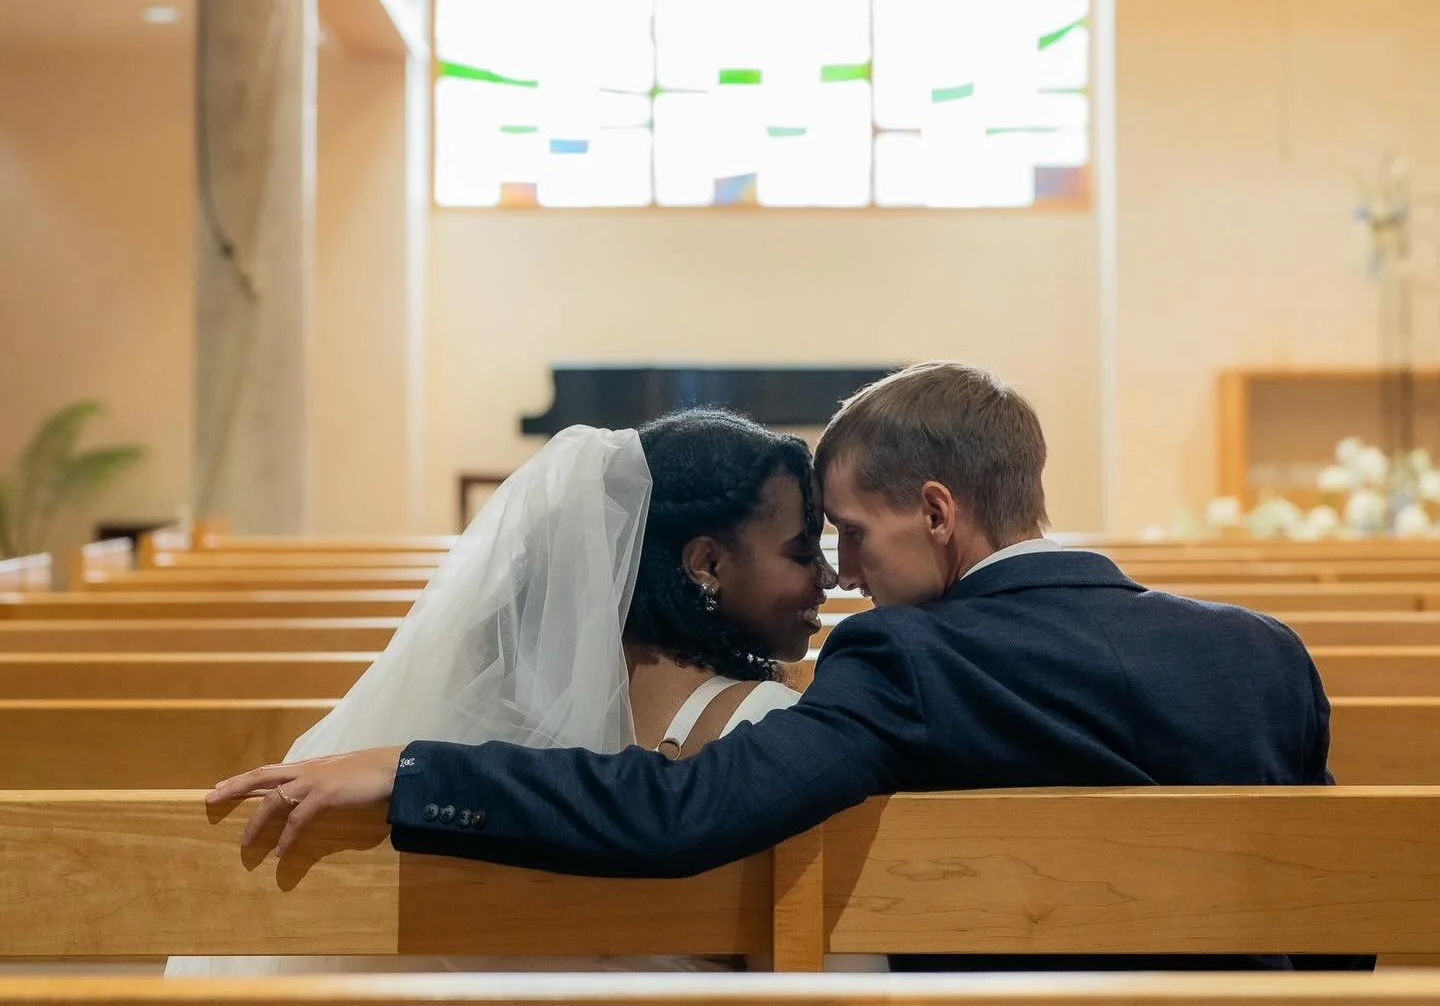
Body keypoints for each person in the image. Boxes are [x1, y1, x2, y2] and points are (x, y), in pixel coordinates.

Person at [212, 360, 1351, 973]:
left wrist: (414, 767)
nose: (844, 573)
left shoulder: (903, 657)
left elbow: (680, 813)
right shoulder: (1264, 654)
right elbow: (1336, 905)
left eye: (851, 531)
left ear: (939, 512)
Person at [176, 409, 834, 972]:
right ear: (707, 563)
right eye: (804, 551)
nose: (829, 575)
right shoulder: (769, 725)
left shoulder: (489, 723)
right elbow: (843, 964)